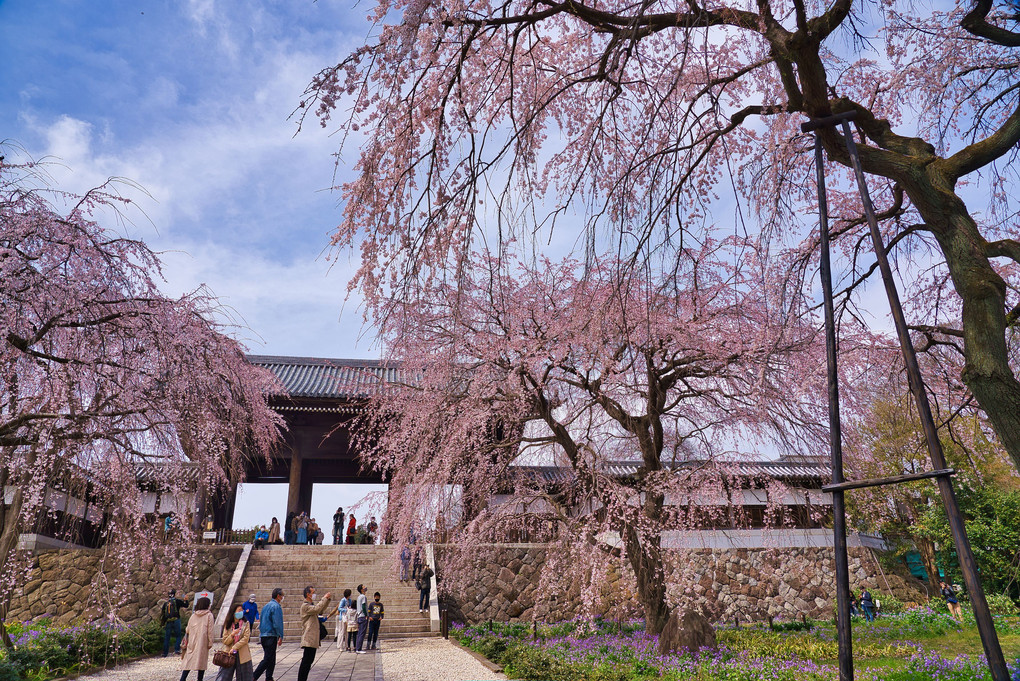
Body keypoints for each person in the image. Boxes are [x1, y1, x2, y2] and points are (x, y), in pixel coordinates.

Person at [297, 585, 332, 681]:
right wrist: (324, 598)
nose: (314, 594)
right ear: (308, 594)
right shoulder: (305, 606)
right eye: (313, 592)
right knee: (306, 661)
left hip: (313, 637)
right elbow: (317, 609)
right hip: (309, 637)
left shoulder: (311, 605)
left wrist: (327, 600)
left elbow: (319, 609)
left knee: (309, 661)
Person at [180, 596, 215, 681]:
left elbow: (187, 629)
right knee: (201, 662)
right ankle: (200, 679)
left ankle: (183, 679)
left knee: (189, 661)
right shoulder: (209, 615)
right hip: (202, 641)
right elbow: (210, 631)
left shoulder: (193, 616)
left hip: (192, 641)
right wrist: (210, 642)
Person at [215, 603, 253, 681]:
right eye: (239, 611)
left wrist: (235, 647)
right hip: (229, 653)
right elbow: (225, 640)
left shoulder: (246, 624)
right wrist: (232, 635)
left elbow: (246, 639)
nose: (241, 612)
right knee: (224, 676)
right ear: (233, 612)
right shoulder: (228, 624)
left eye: (242, 611)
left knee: (244, 677)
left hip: (242, 653)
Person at [253, 588, 284, 681]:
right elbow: (277, 623)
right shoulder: (276, 606)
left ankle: (269, 677)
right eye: (282, 595)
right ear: (278, 596)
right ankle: (253, 676)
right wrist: (280, 635)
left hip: (264, 635)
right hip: (271, 635)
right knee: (268, 658)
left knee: (271, 658)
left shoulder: (266, 606)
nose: (283, 597)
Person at [162, 589, 191, 657]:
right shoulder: (177, 601)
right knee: (178, 635)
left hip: (168, 621)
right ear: (174, 594)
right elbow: (186, 605)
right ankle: (177, 650)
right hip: (176, 620)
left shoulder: (165, 603)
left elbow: (163, 613)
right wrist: (186, 599)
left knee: (167, 637)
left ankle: (165, 653)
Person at [354, 584, 369, 653]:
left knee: (360, 633)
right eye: (363, 587)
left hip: (359, 616)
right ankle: (359, 649)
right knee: (362, 633)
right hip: (363, 616)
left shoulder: (359, 597)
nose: (365, 587)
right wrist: (366, 614)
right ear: (361, 589)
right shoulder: (363, 597)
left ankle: (358, 647)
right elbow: (363, 606)